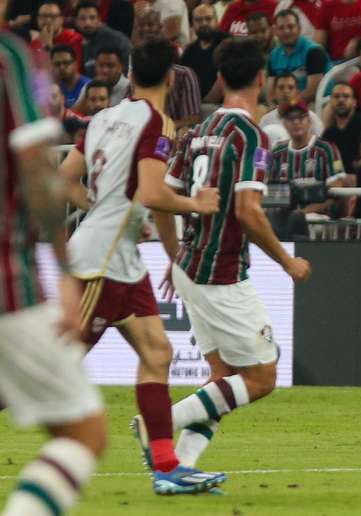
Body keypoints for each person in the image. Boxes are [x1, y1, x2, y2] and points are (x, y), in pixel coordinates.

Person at [58, 37, 226, 495]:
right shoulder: (159, 124)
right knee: (50, 370)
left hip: (121, 261)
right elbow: (155, 195)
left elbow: (65, 178)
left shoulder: (101, 118)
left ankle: (167, 467)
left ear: (130, 75)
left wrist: (98, 208)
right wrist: (198, 203)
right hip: (101, 264)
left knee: (157, 353)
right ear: (172, 79)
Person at [160, 37, 311, 470]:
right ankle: (159, 423)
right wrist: (287, 261)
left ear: (221, 78)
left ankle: (179, 469)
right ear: (262, 80)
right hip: (220, 272)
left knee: (222, 378)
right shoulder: (250, 134)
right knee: (262, 377)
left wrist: (175, 255)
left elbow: (160, 200)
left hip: (191, 265)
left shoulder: (197, 132)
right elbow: (248, 211)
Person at [0, 28, 106, 516]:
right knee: (84, 430)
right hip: (6, 281)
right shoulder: (12, 57)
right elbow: (38, 171)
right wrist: (65, 274)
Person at [135, 9, 203, 130]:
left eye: (150, 25)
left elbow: (193, 119)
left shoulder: (185, 75)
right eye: (141, 25)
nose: (146, 29)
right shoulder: (134, 72)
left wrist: (157, 129)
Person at [268, 9, 330, 104]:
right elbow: (271, 91)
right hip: (287, 106)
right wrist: (272, 107)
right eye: (281, 28)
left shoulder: (314, 51)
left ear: (299, 28)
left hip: (316, 104)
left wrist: (288, 105)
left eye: (291, 27)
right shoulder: (273, 55)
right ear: (275, 31)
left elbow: (312, 92)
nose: (286, 31)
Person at [181, 3, 228, 101]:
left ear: (216, 21)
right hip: (195, 106)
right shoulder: (189, 51)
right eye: (198, 20)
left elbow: (225, 81)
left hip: (222, 105)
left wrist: (204, 103)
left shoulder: (228, 44)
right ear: (192, 24)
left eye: (208, 19)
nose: (204, 23)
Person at [75, 0, 131, 78]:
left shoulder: (117, 40)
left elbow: (129, 70)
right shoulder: (84, 43)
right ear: (76, 22)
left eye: (92, 18)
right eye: (82, 18)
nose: (88, 23)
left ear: (99, 19)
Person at [323, 81, 361, 174]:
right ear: (331, 101)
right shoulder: (328, 134)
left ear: (354, 102)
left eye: (346, 96)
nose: (341, 100)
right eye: (336, 97)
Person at [260, 72, 324, 137]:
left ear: (297, 93)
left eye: (291, 88)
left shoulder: (311, 118)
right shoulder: (266, 120)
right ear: (274, 93)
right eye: (281, 87)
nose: (286, 91)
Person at [74, 46, 130, 110]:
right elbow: (75, 113)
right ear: (95, 67)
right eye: (101, 65)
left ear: (120, 67)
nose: (105, 70)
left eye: (110, 66)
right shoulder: (89, 86)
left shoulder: (129, 88)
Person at [31, 1, 83, 68]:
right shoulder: (34, 43)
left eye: (53, 16)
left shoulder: (74, 39)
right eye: (44, 16)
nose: (48, 20)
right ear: (38, 20)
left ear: (61, 20)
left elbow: (73, 69)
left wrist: (48, 47)